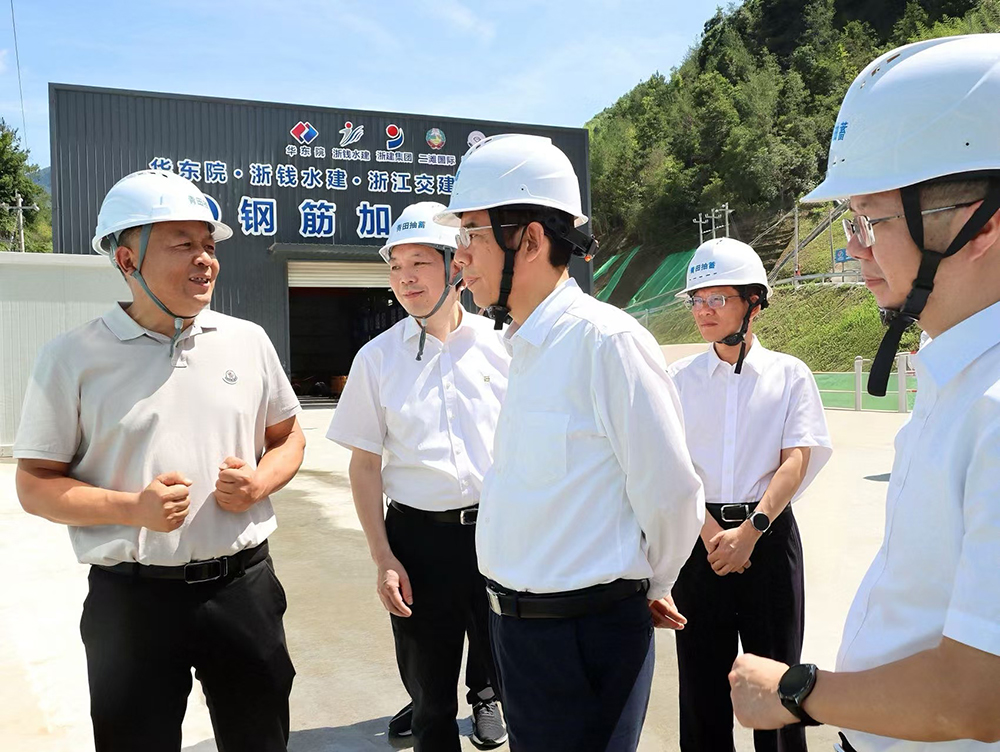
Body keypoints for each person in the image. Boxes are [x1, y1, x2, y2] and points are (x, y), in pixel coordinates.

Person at [729, 34, 1000, 751]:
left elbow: (980, 696)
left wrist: (795, 693)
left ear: (982, 221)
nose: (854, 246)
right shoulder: (956, 368)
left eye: (872, 220)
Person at [13, 169, 305, 752]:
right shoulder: (72, 357)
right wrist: (132, 509)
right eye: (183, 244)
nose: (205, 260)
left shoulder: (247, 341)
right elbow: (35, 484)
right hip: (132, 604)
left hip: (242, 589)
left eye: (209, 244)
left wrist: (259, 482)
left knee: (261, 738)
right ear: (127, 259)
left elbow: (289, 436)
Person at [438, 133, 705, 752]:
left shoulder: (606, 342)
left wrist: (649, 584)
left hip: (587, 638)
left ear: (530, 240)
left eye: (471, 235)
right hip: (518, 636)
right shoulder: (520, 346)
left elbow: (671, 494)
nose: (459, 258)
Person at [326, 201, 509, 751]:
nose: (405, 278)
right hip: (419, 540)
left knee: (505, 655)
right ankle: (431, 709)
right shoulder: (376, 359)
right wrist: (383, 557)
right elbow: (364, 464)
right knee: (428, 684)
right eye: (395, 266)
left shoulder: (503, 344)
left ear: (456, 265)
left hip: (500, 531)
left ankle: (486, 696)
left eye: (419, 263)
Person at [668, 237, 832, 752]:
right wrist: (712, 533)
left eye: (718, 299)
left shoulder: (789, 374)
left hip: (769, 538)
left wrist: (751, 531)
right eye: (697, 300)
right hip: (700, 545)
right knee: (701, 687)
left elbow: (796, 459)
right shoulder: (678, 379)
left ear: (753, 303)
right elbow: (671, 467)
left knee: (779, 683)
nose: (704, 310)